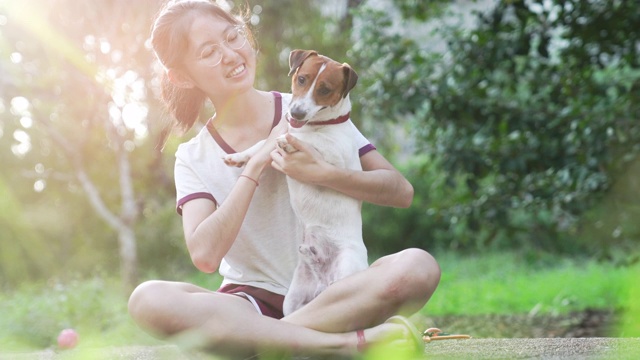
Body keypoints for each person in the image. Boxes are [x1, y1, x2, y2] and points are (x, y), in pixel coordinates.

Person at [128, 0, 441, 357]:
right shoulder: (193, 156)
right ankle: (338, 344)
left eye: (233, 37)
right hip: (250, 303)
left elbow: (400, 191)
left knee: (417, 266)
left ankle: (270, 342)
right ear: (183, 76)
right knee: (147, 299)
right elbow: (204, 255)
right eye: (209, 52)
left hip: (336, 294)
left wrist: (323, 174)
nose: (231, 54)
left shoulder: (315, 109)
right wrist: (256, 164)